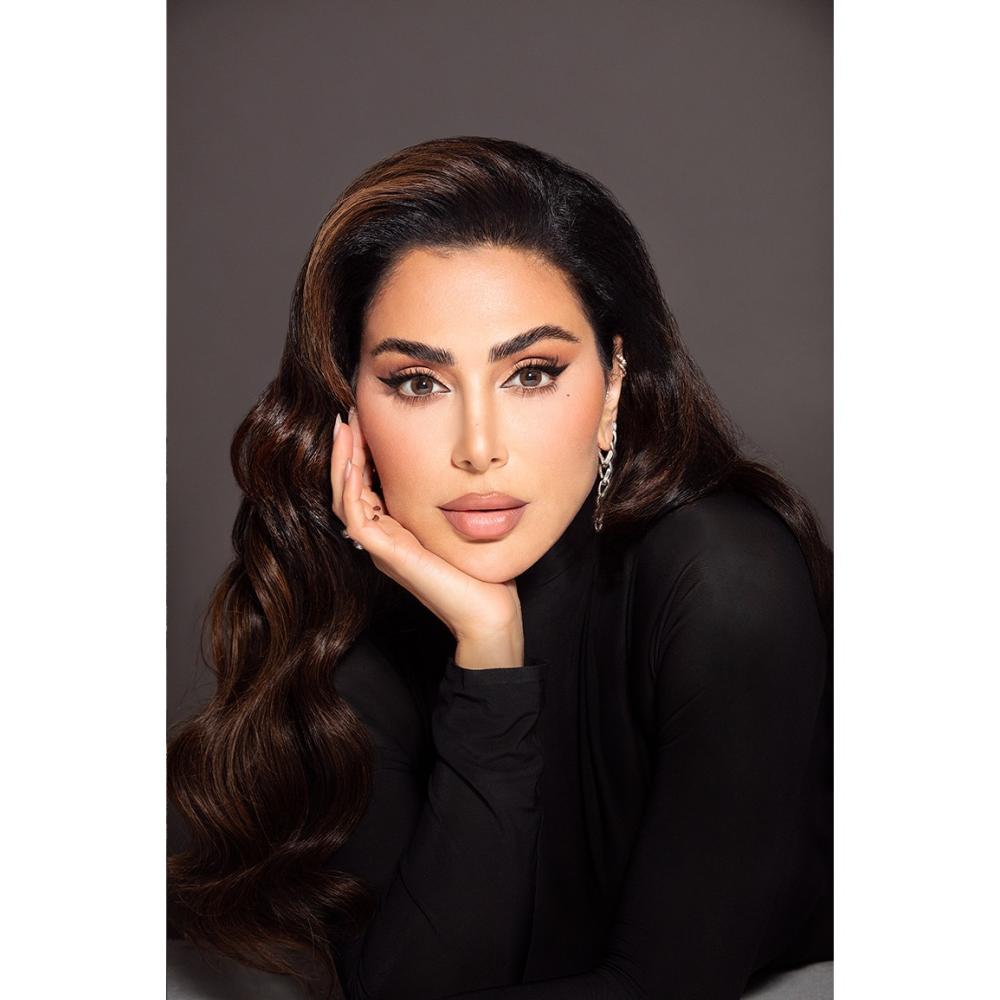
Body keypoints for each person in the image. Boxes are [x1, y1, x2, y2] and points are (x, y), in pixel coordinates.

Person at [167, 136, 832, 1000]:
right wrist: (489, 651)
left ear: (615, 383)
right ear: (346, 401)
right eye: (418, 382)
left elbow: (667, 987)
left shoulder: (724, 581)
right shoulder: (355, 624)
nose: (478, 448)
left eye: (532, 374)